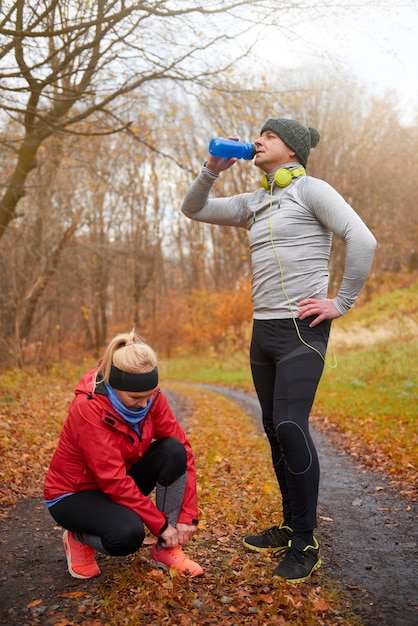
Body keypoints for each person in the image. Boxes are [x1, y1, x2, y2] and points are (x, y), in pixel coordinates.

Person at [181, 118, 376, 583]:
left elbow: (363, 239)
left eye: (268, 136)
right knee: (273, 428)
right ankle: (291, 525)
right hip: (262, 331)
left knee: (290, 425)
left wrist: (341, 303)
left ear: (292, 150)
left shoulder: (312, 190)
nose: (258, 140)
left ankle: (306, 542)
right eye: (259, 135)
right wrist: (211, 168)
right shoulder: (255, 201)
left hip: (302, 330)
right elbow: (195, 209)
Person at [44, 330, 203, 579]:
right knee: (127, 535)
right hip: (74, 493)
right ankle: (78, 536)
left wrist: (187, 516)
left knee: (173, 449)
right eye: (136, 398)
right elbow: (112, 480)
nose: (144, 404)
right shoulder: (88, 408)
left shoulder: (151, 397)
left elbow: (184, 448)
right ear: (114, 386)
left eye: (149, 396)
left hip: (118, 482)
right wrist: (159, 524)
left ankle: (168, 548)